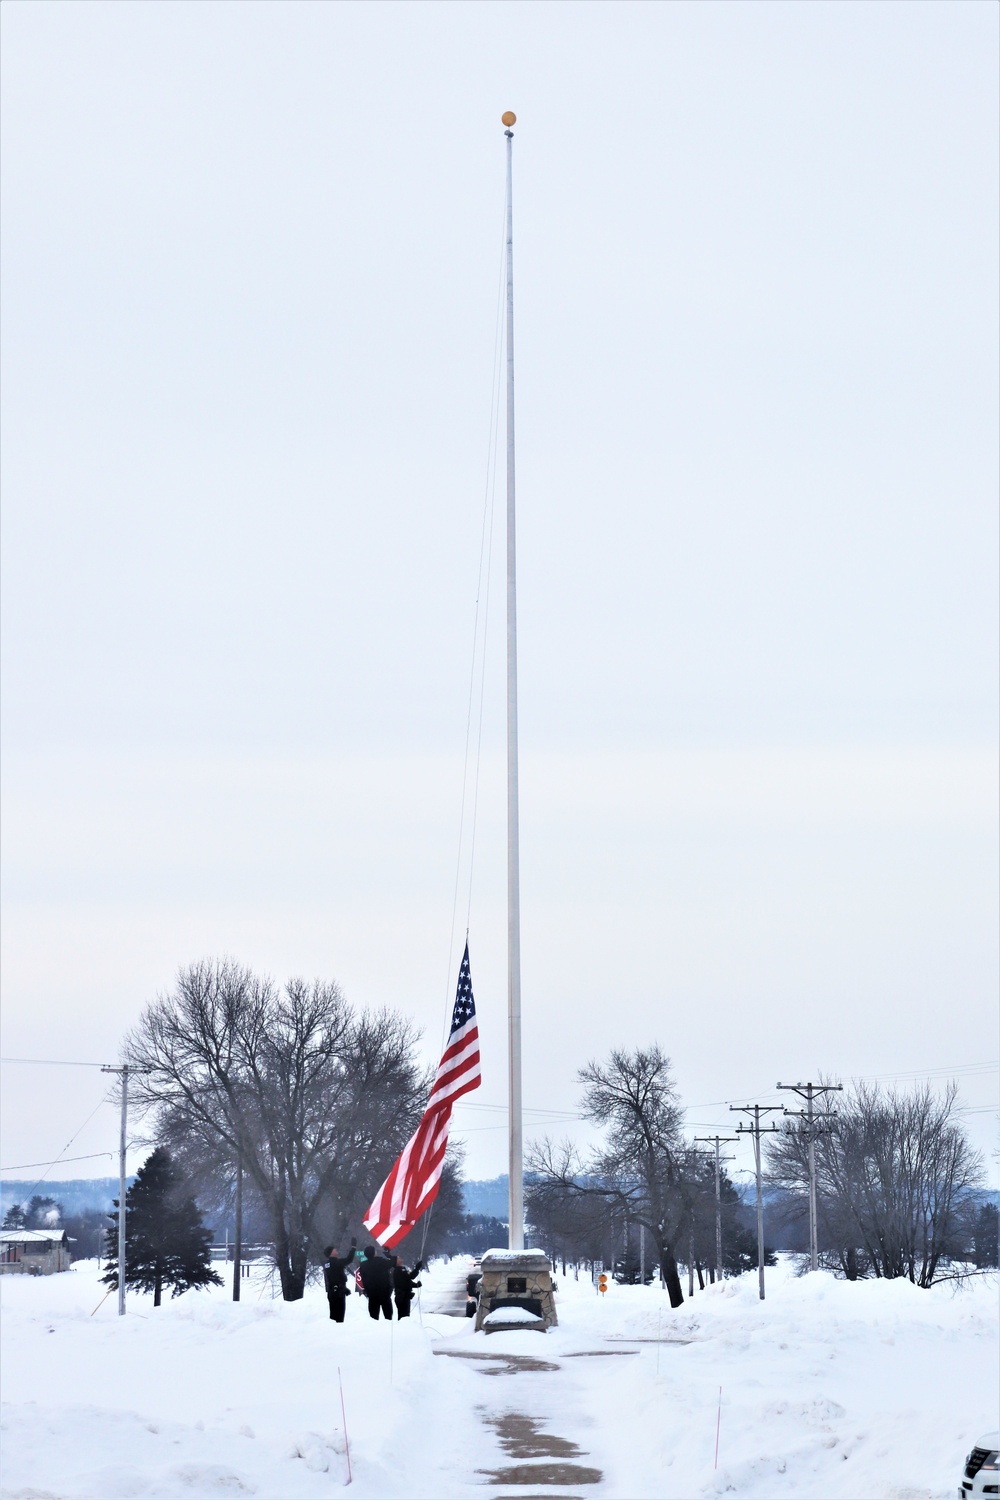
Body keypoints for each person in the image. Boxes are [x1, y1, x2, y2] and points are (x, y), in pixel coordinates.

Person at [323, 1240, 358, 1323]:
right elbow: (349, 1259)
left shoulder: (326, 1264)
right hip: (339, 1291)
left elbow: (332, 1277)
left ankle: (333, 1330)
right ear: (331, 1252)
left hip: (331, 1291)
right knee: (339, 1315)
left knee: (333, 1314)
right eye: (335, 1250)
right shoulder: (337, 1262)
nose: (336, 1250)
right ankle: (339, 1331)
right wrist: (353, 1247)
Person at [357, 1245, 393, 1320]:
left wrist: (366, 1291)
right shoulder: (382, 1261)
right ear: (374, 1253)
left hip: (372, 1293)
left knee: (373, 1317)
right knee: (388, 1316)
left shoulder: (363, 1265)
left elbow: (363, 1278)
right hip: (384, 1292)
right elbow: (392, 1263)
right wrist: (388, 1254)